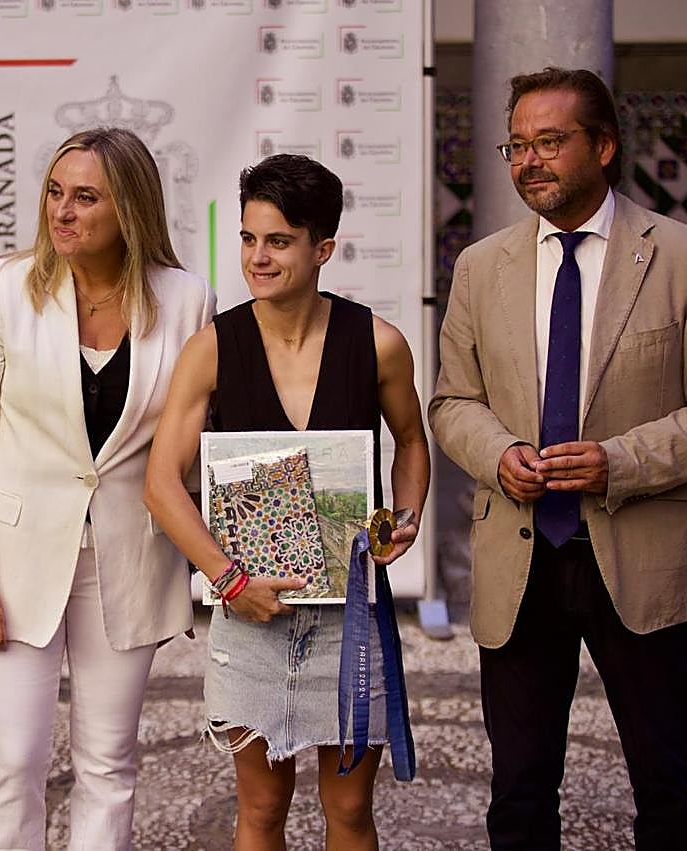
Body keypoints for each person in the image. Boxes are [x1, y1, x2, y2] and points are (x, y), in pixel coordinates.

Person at [429, 67, 687, 850]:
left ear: (604, 147)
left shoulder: (676, 255)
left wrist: (620, 460)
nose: (529, 161)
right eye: (518, 145)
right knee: (519, 794)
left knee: (672, 788)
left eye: (550, 142)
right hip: (521, 557)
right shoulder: (482, 264)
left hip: (643, 558)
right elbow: (451, 401)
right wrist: (499, 450)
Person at [0, 126, 214, 851]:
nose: (63, 210)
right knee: (15, 760)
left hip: (131, 559)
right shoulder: (4, 287)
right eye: (55, 193)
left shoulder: (186, 301)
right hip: (12, 558)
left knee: (109, 764)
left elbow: (197, 442)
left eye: (85, 197)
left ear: (129, 209)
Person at [144, 153, 429, 851]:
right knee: (263, 808)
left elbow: (413, 442)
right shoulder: (212, 348)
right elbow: (159, 482)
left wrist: (407, 514)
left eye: (277, 241)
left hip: (351, 617)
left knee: (351, 810)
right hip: (248, 616)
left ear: (322, 248)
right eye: (247, 238)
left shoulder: (379, 343)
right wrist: (229, 578)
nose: (257, 257)